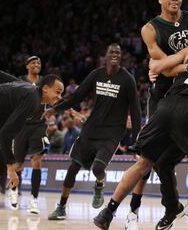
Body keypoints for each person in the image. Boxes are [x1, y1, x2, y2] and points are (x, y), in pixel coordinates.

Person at [93, 31, 188, 230]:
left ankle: (107, 213)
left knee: (143, 164)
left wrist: (187, 68)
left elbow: (156, 66)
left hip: (165, 108)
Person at [126, 0, 188, 230]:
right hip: (163, 94)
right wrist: (187, 62)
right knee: (153, 157)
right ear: (160, 0)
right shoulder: (150, 29)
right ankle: (161, 208)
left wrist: (180, 65)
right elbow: (164, 66)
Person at [46, 43, 141, 220]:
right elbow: (77, 97)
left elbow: (135, 111)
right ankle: (61, 207)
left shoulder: (127, 79)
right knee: (72, 169)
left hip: (112, 133)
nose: (115, 54)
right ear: (105, 55)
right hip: (90, 130)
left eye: (118, 53)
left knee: (98, 167)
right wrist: (55, 109)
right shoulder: (96, 74)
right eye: (111, 51)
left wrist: (137, 141)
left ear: (121, 57)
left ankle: (99, 183)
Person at [0, 66, 63, 192]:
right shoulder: (33, 100)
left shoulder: (27, 89)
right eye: (57, 92)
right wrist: (11, 169)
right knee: (0, 161)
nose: (60, 97)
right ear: (45, 89)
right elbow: (5, 134)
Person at [9, 56, 48, 213]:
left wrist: (72, 111)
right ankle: (13, 193)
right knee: (17, 165)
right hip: (21, 126)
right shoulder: (19, 81)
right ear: (27, 66)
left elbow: (56, 98)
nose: (37, 65)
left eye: (39, 62)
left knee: (37, 161)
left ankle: (34, 200)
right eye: (33, 63)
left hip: (38, 125)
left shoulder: (45, 82)